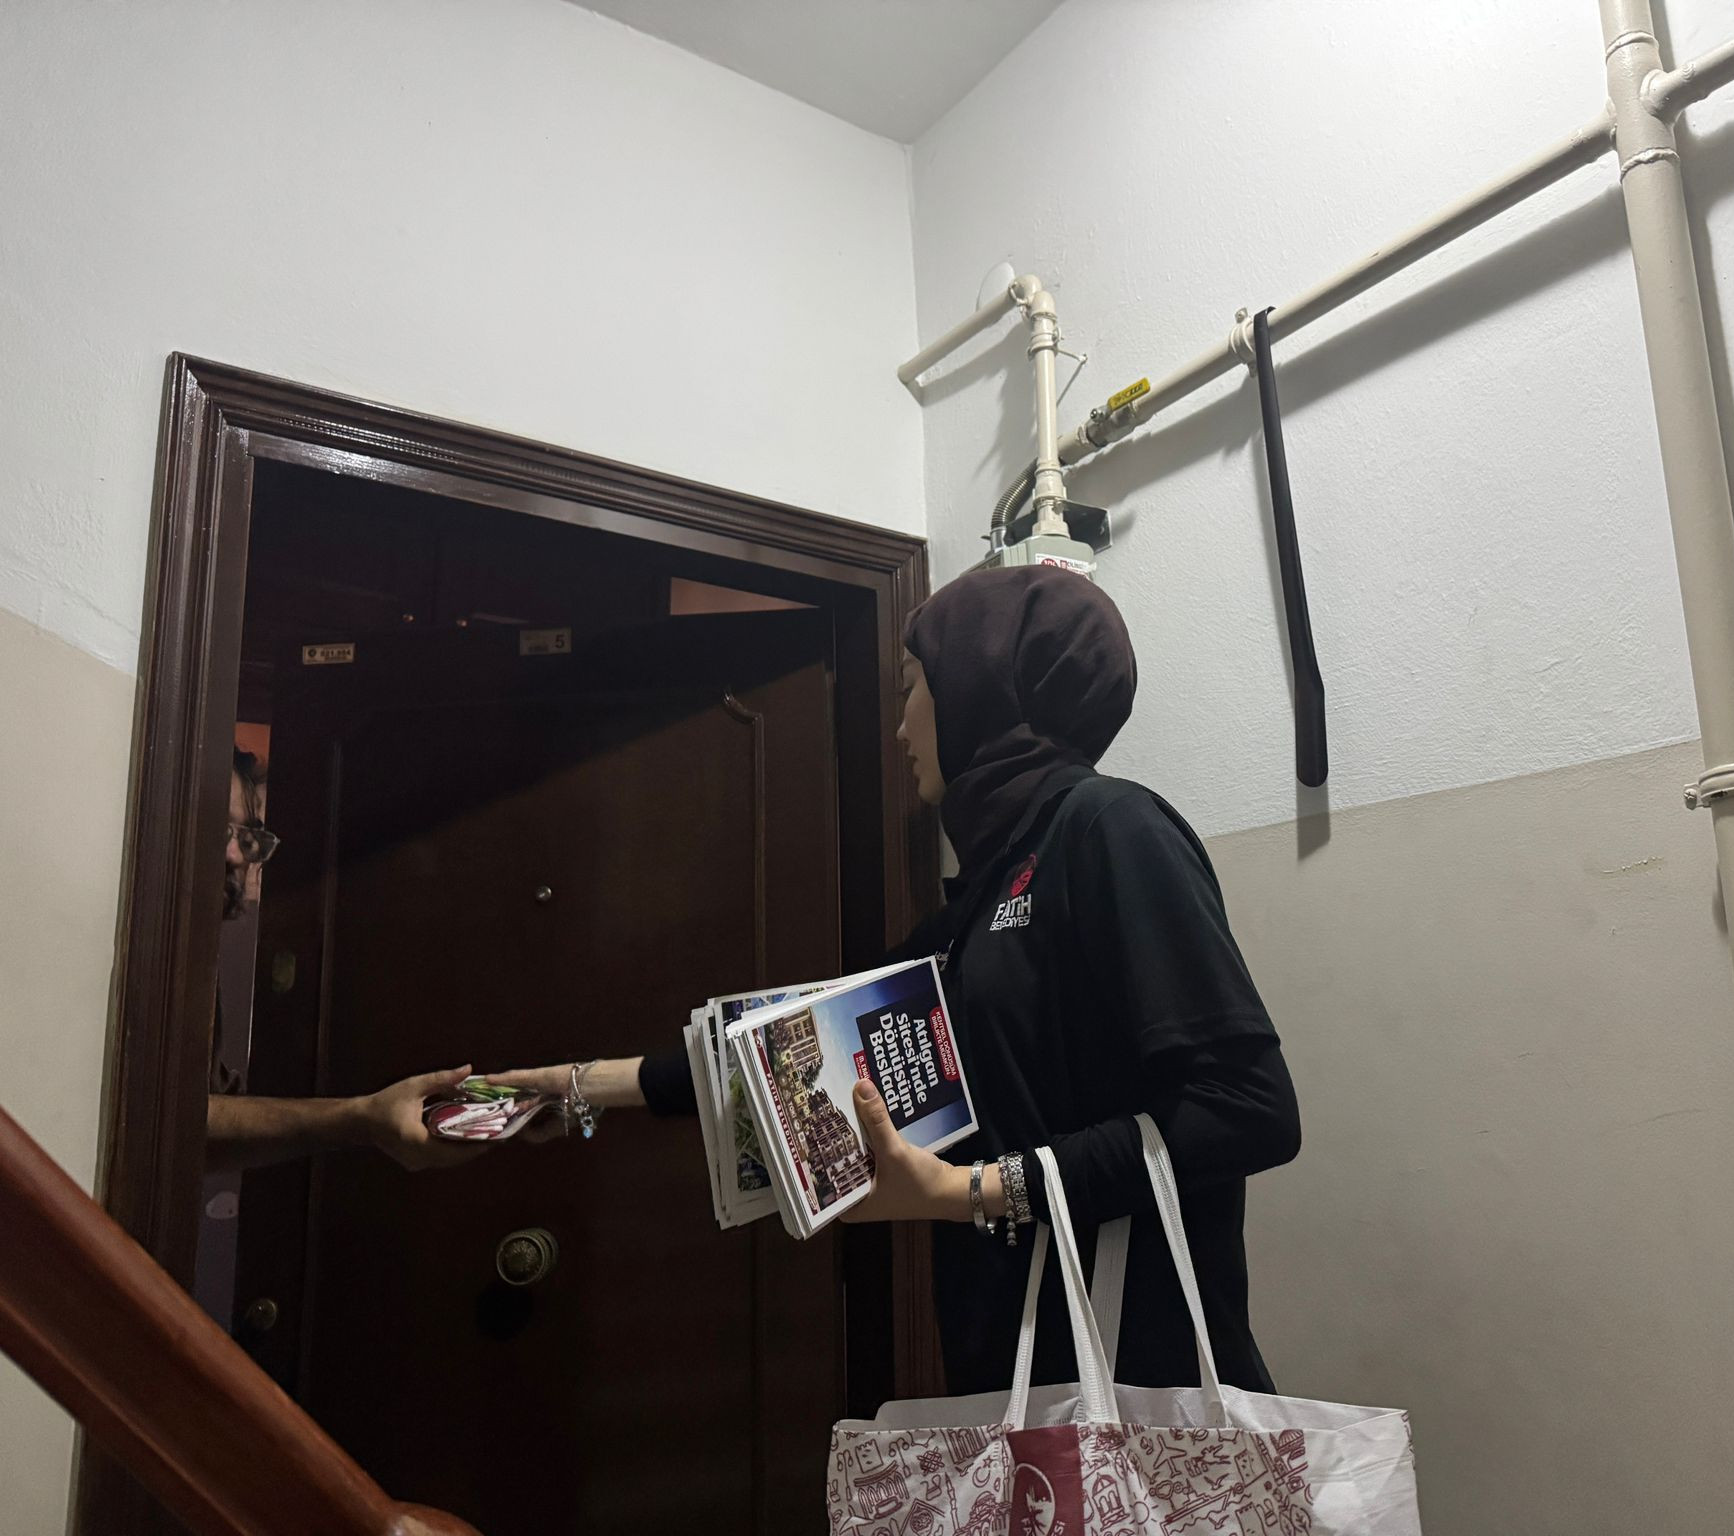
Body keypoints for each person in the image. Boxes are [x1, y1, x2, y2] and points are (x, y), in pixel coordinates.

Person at [494, 567, 1301, 1394]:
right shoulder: (984, 893)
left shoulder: (1110, 827)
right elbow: (786, 1052)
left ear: (979, 685)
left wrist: (968, 1189)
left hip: (1141, 1388)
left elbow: (1248, 1110)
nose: (900, 726)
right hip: (1016, 1375)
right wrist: (576, 1087)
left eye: (912, 685)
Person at [207, 746, 481, 1175]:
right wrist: (364, 1118)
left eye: (246, 838)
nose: (235, 856)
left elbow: (199, 1127)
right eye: (217, 829)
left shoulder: (201, 963)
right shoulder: (149, 952)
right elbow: (187, 1121)